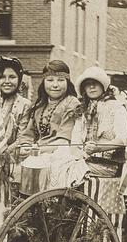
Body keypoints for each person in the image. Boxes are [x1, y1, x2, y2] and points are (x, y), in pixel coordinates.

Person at [18, 60, 82, 188]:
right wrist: (25, 145)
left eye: (60, 80)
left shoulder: (72, 104)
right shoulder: (40, 105)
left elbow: (64, 141)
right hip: (39, 152)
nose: (55, 85)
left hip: (61, 155)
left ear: (67, 82)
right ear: (44, 82)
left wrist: (36, 149)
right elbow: (28, 133)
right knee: (17, 172)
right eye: (50, 80)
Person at [73, 66, 127, 178]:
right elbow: (75, 140)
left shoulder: (116, 107)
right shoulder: (83, 110)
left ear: (103, 86)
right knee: (58, 163)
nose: (92, 87)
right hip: (86, 160)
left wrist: (98, 148)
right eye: (87, 84)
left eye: (95, 83)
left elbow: (124, 139)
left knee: (70, 168)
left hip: (110, 165)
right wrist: (79, 154)